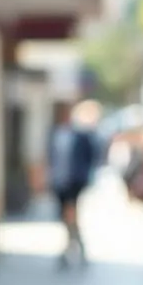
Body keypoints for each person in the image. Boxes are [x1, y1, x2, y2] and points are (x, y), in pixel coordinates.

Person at [47, 100, 100, 269]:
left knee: (70, 215)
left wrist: (85, 175)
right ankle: (75, 248)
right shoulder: (55, 134)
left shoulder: (80, 135)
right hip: (59, 181)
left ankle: (72, 250)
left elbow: (91, 155)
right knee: (66, 217)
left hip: (74, 182)